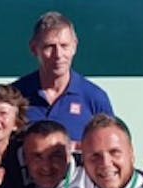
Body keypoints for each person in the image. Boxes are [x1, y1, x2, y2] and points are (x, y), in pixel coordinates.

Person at [12, 12, 114, 145]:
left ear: (74, 46)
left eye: (64, 46)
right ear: (34, 49)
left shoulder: (94, 98)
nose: (58, 55)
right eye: (49, 47)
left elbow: (108, 148)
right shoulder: (14, 96)